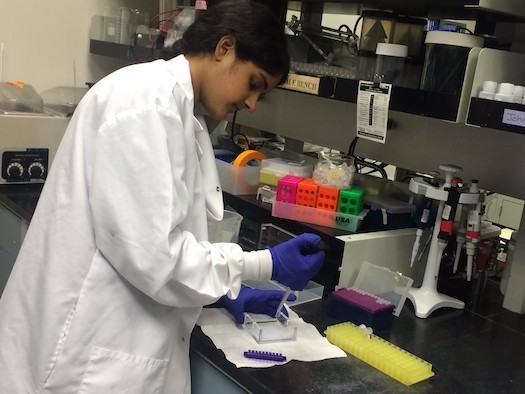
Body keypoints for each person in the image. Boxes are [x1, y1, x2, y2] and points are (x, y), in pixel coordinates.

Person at [0, 1, 325, 393]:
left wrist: (220, 294)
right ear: (224, 48)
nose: (252, 103)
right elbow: (158, 258)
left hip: (113, 343)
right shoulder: (143, 105)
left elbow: (155, 236)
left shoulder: (179, 110)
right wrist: (262, 264)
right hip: (83, 356)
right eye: (254, 83)